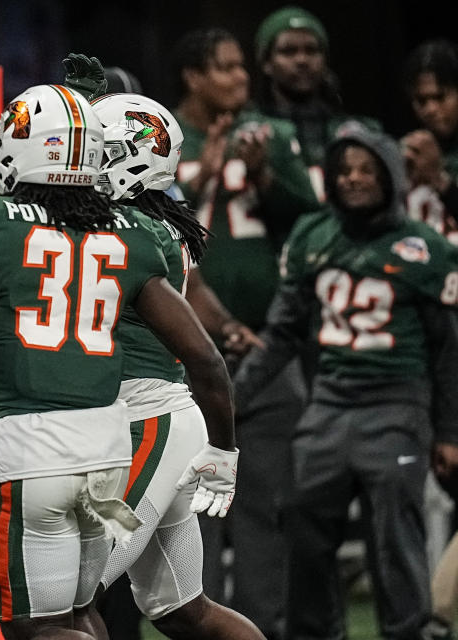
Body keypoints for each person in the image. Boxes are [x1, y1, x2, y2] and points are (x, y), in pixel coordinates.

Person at [0, 83, 237, 640]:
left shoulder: (68, 226)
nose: (91, 163)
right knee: (173, 611)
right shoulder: (136, 229)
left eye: (101, 150)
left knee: (45, 621)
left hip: (122, 429)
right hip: (112, 437)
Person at [233, 127, 458, 640]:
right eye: (345, 170)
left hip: (396, 402)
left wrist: (449, 430)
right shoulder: (313, 234)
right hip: (329, 402)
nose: (354, 179)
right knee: (301, 523)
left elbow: (447, 350)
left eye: (366, 169)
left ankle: (407, 632)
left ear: (389, 176)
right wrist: (235, 395)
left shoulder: (426, 248)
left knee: (395, 540)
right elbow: (283, 331)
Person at [63, 89, 263, 640]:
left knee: (69, 598)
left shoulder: (126, 230)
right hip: (133, 417)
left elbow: (205, 358)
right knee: (182, 610)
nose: (77, 161)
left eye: (92, 148)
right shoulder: (147, 219)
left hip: (145, 419)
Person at [171, 27, 319, 639]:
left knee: (268, 504)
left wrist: (264, 175)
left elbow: (308, 216)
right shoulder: (159, 137)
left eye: (240, 68)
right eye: (225, 68)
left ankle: (263, 630)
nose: (240, 78)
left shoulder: (270, 134)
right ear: (193, 76)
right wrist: (207, 167)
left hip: (264, 342)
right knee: (191, 506)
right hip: (182, 350)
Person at [254, 6, 380, 200]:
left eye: (311, 50)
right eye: (289, 51)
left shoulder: (358, 129)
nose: (302, 60)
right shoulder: (254, 131)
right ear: (266, 62)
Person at [401, 39, 458, 245]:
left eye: (440, 97)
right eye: (421, 101)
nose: (431, 109)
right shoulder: (407, 152)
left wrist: (438, 178)